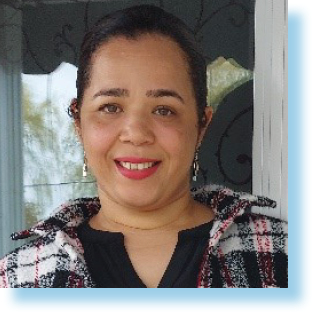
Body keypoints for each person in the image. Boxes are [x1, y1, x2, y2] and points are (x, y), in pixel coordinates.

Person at [0, 4, 287, 288]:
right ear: (78, 122)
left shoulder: (286, 257)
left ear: (201, 126)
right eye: (110, 107)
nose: (136, 134)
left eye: (164, 109)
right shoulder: (17, 279)